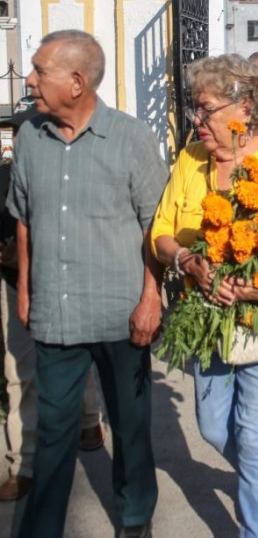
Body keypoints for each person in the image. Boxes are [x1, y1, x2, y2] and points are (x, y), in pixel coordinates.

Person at [7, 30, 165, 536]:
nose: (28, 80)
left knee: (130, 424)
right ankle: (40, 528)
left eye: (38, 70)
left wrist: (150, 297)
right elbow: (24, 219)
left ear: (76, 82)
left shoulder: (132, 137)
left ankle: (135, 515)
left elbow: (153, 226)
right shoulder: (29, 134)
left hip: (122, 313)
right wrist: (27, 291)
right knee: (54, 431)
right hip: (56, 310)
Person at [151, 54, 258, 537]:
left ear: (244, 106)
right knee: (213, 428)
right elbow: (161, 232)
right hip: (204, 319)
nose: (196, 120)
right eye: (194, 110)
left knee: (257, 437)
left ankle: (255, 527)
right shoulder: (190, 159)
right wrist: (189, 262)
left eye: (205, 109)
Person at [0, 98, 106, 502]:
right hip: (15, 286)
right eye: (19, 132)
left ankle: (88, 418)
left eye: (33, 130)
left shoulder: (75, 176)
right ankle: (23, 465)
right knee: (19, 373)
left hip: (66, 283)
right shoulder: (3, 177)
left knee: (76, 354)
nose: (24, 138)